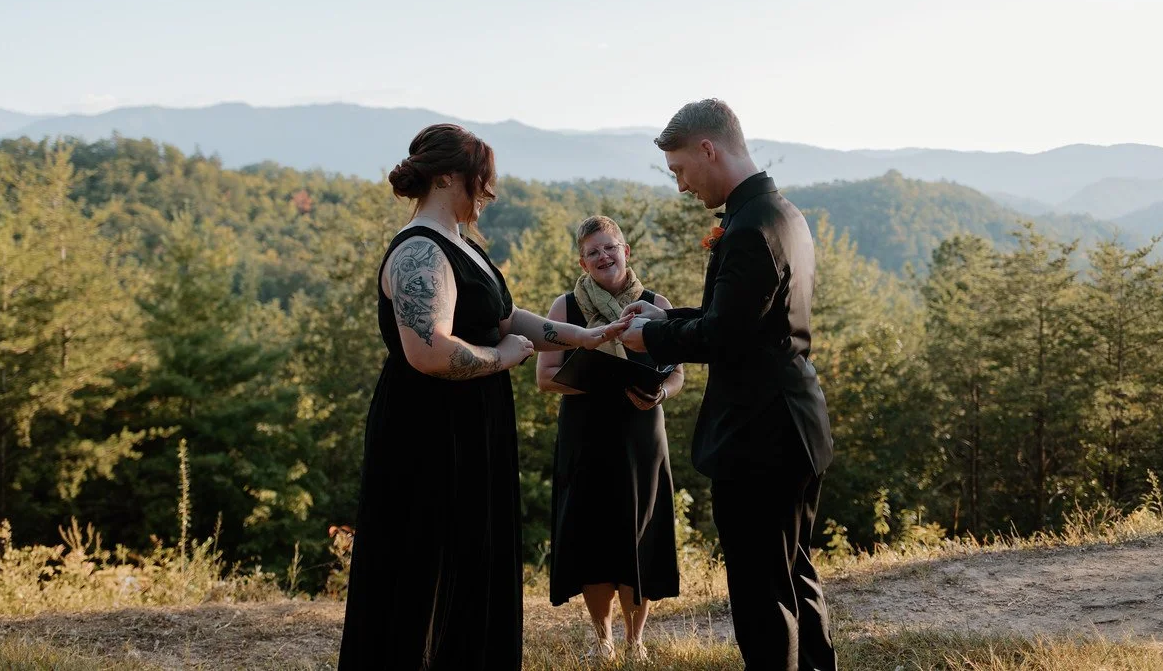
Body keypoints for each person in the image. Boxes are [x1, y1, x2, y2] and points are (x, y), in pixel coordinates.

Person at [337, 124, 626, 671]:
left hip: (470, 428)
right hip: (427, 435)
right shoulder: (419, 251)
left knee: (472, 562)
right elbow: (429, 352)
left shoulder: (461, 246)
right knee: (425, 568)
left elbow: (503, 319)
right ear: (448, 176)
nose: (487, 192)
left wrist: (584, 337)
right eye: (481, 179)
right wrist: (506, 358)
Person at [619, 99, 837, 671]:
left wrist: (653, 341)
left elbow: (726, 337)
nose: (682, 186)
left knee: (761, 593)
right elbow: (746, 318)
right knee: (793, 574)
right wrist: (666, 319)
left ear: (708, 149)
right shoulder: (779, 211)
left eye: (681, 171)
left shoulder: (747, 228)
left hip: (760, 434)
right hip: (795, 424)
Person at [536, 216, 685, 663]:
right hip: (586, 435)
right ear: (582, 262)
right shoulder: (565, 307)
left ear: (626, 251)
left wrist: (661, 390)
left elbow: (677, 374)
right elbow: (545, 379)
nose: (604, 256)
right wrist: (599, 382)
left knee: (638, 535)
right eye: (593, 252)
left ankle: (635, 641)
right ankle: (602, 640)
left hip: (642, 434)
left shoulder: (657, 304)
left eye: (610, 248)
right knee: (592, 537)